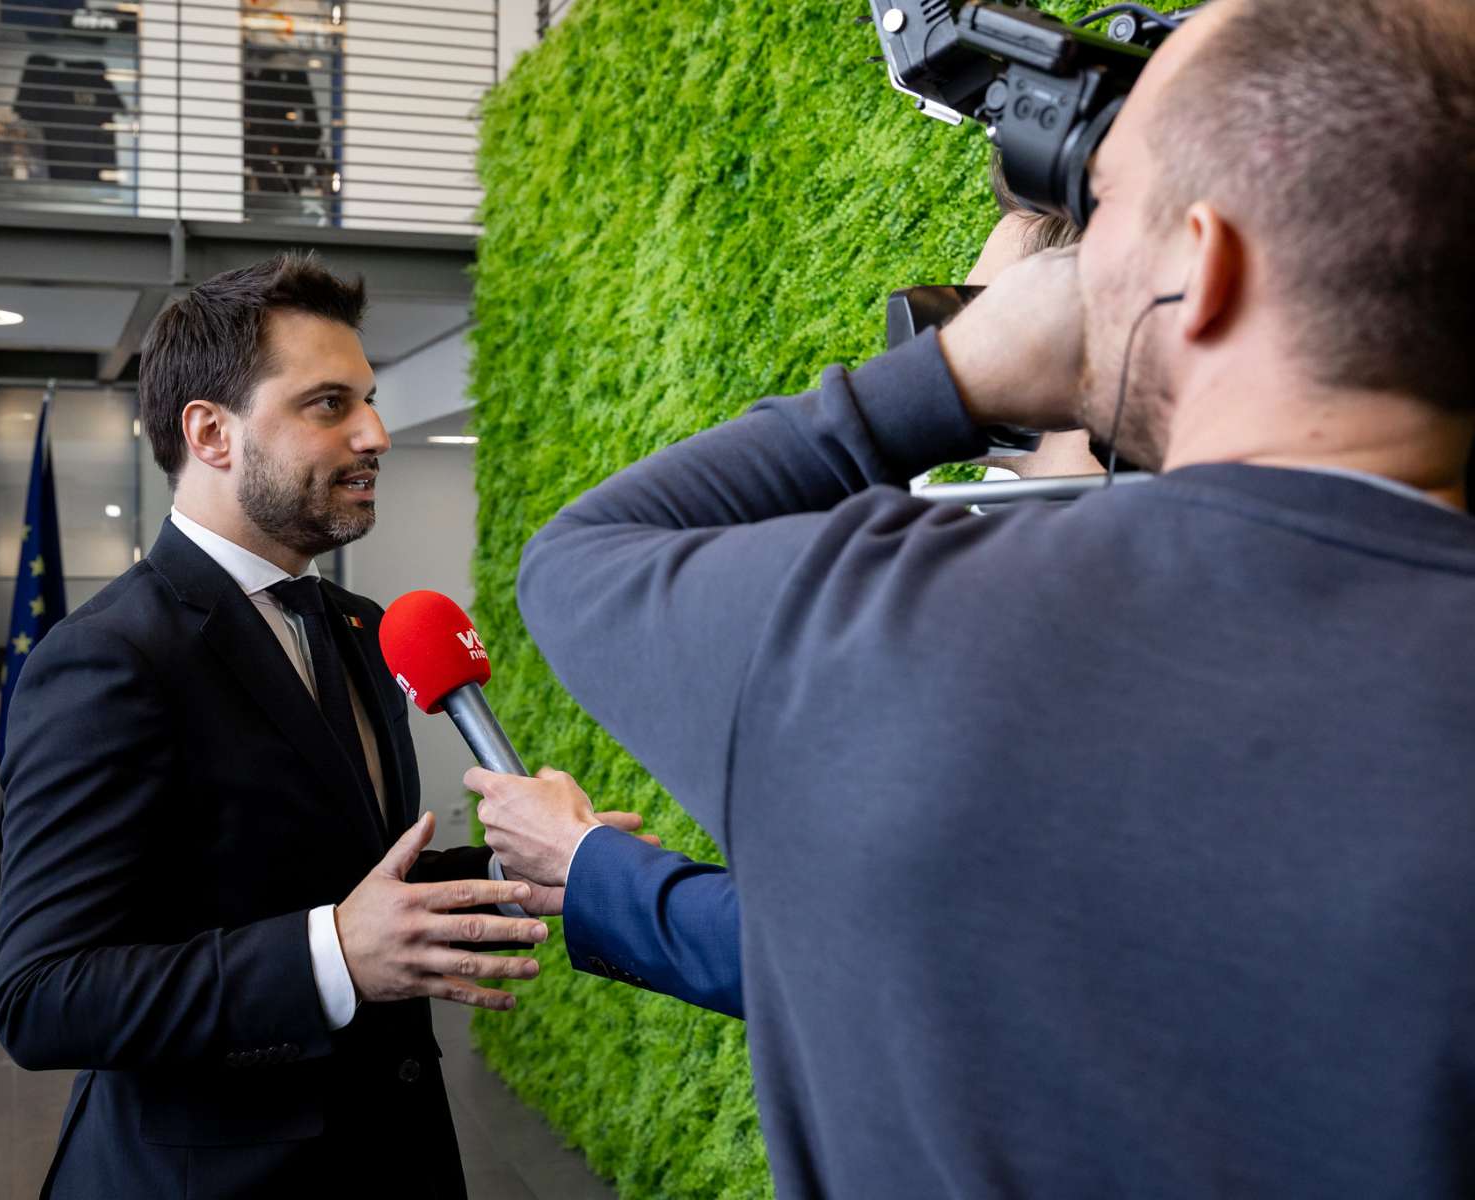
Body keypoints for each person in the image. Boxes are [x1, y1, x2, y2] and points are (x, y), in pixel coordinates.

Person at [504, 0, 1475, 1195]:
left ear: (1206, 267)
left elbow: (583, 557)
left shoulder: (883, 632)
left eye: (1109, 205)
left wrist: (953, 372)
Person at [0, 255, 556, 1200]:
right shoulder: (108, 659)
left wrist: (512, 870)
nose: (376, 432)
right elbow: (43, 997)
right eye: (329, 405)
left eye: (367, 400)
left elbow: (346, 880)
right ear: (211, 433)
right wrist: (332, 953)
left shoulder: (360, 627)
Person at [468, 205, 1092, 1022]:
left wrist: (948, 383)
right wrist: (590, 865)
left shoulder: (966, 608)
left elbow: (574, 565)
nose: (945, 336)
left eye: (984, 311)